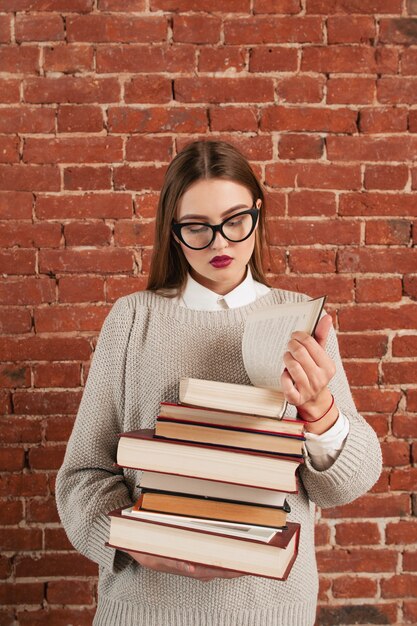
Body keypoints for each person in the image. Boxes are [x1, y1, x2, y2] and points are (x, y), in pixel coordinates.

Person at [56, 140, 382, 626]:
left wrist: (321, 412)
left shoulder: (300, 319)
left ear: (258, 213)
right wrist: (132, 540)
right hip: (146, 608)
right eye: (197, 228)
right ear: (173, 232)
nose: (220, 244)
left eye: (235, 221)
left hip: (270, 611)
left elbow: (347, 484)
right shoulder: (132, 320)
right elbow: (82, 476)